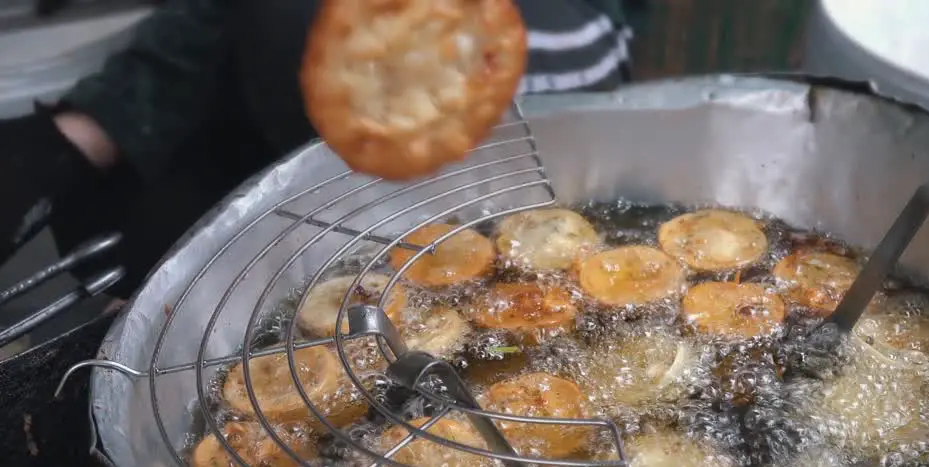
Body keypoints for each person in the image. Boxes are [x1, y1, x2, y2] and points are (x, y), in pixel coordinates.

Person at [0, 0, 644, 298]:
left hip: (546, 127)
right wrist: (80, 134)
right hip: (325, 202)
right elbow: (211, 21)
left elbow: (575, 57)